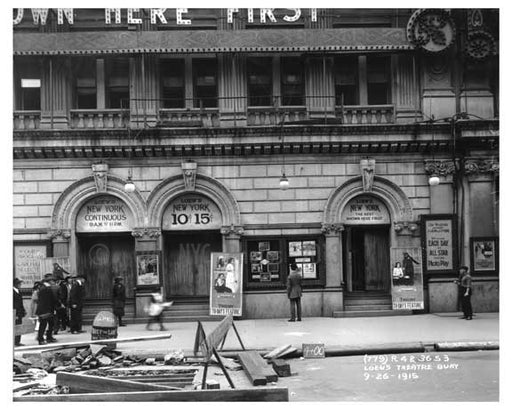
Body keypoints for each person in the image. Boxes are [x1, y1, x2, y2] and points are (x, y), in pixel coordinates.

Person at [36, 274, 58, 345]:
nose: (54, 282)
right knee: (43, 325)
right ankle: (40, 339)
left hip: (49, 309)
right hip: (45, 310)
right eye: (53, 281)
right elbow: (45, 301)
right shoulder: (45, 288)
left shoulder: (46, 287)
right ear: (49, 281)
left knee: (51, 324)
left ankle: (49, 337)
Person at [13, 278, 27, 347]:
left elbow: (20, 303)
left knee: (19, 327)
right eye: (19, 283)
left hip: (19, 312)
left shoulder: (18, 291)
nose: (20, 285)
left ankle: (17, 341)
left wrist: (23, 310)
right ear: (15, 284)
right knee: (15, 327)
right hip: (14, 312)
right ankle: (14, 342)